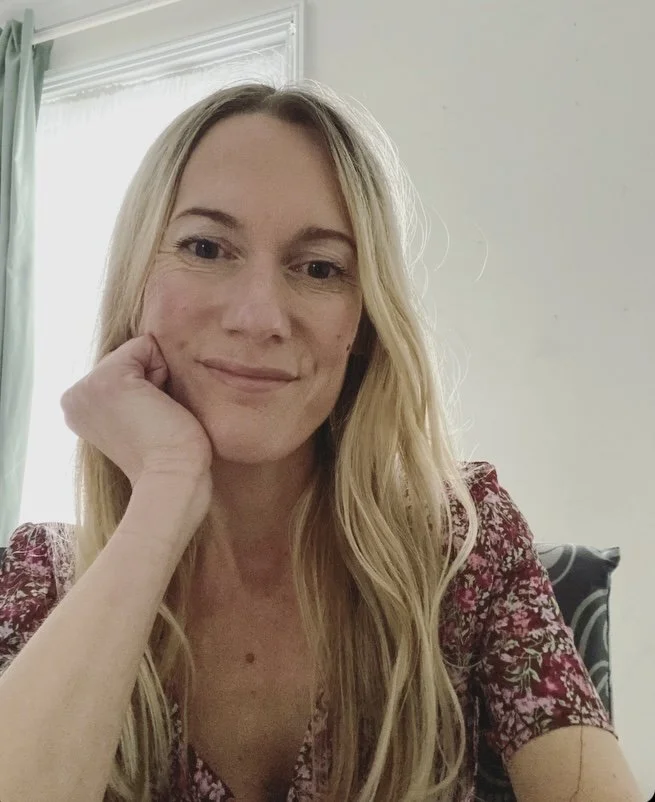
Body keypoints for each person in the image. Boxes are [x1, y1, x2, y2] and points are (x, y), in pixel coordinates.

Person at [0, 82, 642, 802]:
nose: (258, 316)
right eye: (206, 247)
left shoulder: (465, 547)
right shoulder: (36, 579)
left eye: (319, 268)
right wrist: (166, 489)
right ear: (135, 285)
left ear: (362, 323)